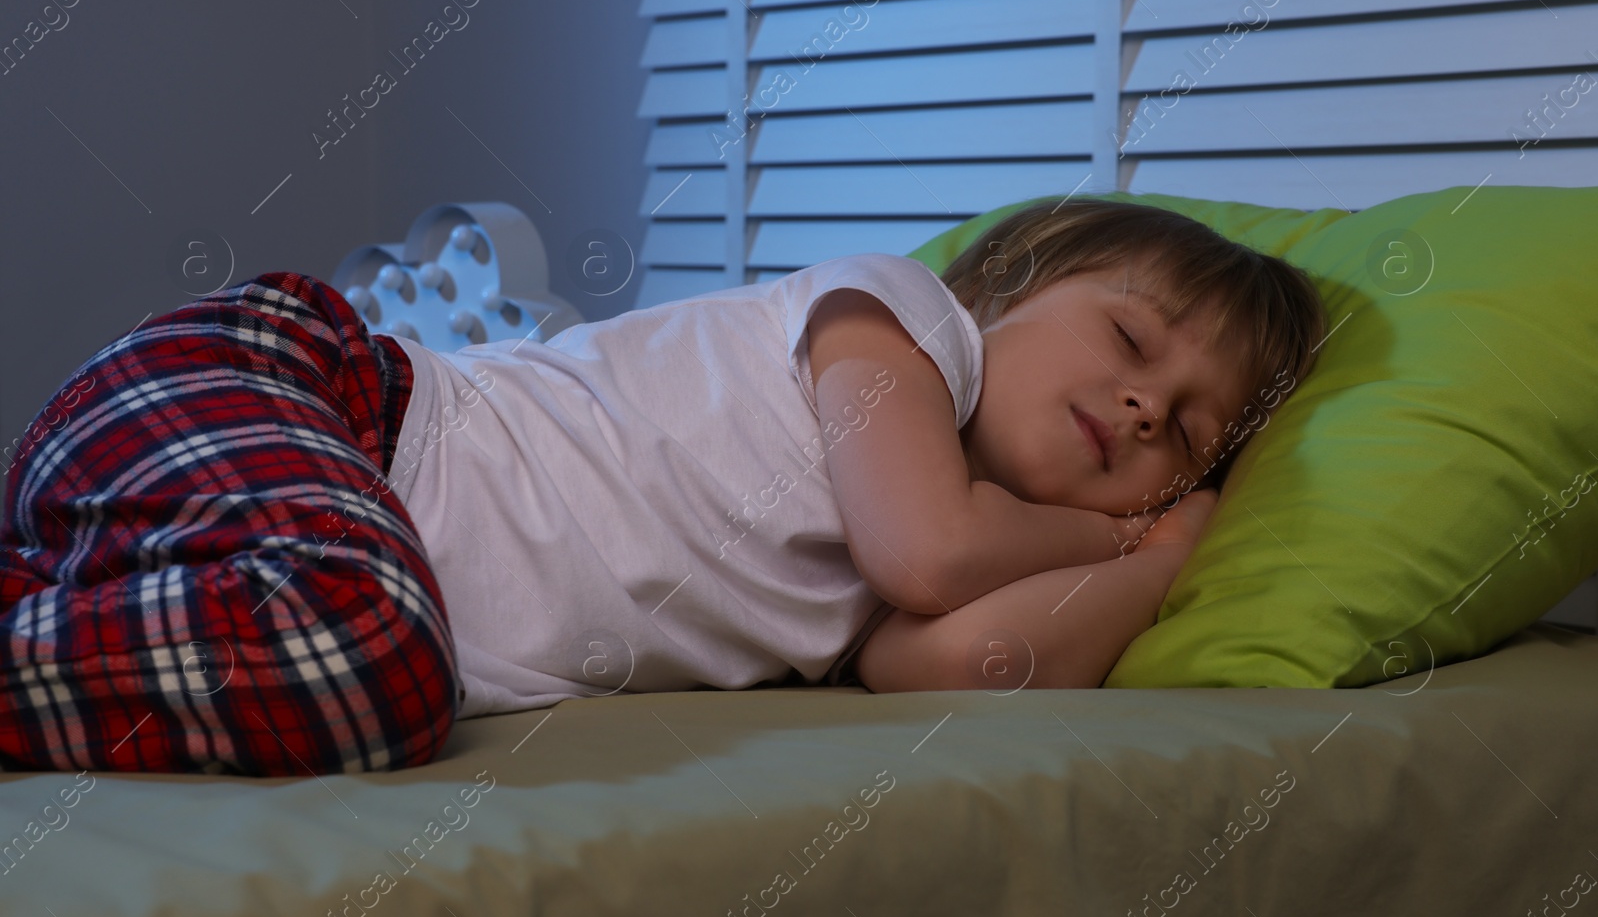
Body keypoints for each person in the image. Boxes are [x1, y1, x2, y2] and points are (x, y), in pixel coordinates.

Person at [0, 197, 1323, 775]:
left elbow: (972, 658)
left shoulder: (861, 587)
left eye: (1191, 434)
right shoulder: (894, 320)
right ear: (1012, 288)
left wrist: (1149, 570)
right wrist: (1113, 523)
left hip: (248, 534)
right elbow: (933, 553)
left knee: (349, 639)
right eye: (1134, 340)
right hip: (295, 392)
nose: (1150, 405)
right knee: (373, 657)